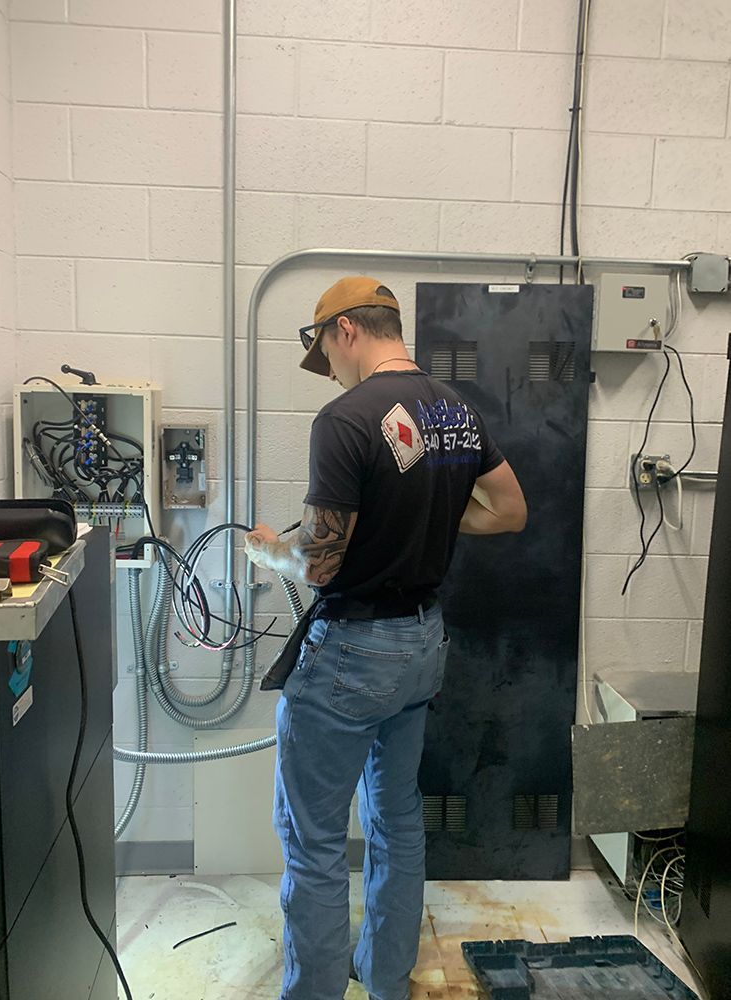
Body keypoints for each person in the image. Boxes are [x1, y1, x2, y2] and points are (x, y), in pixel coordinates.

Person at [244, 276, 527, 1000]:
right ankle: (385, 979)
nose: (331, 374)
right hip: (422, 644)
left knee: (313, 840)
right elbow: (509, 511)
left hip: (352, 652)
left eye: (326, 355)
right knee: (396, 818)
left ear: (345, 330)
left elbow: (320, 563)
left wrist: (269, 551)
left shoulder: (344, 419)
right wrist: (427, 519)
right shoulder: (456, 411)